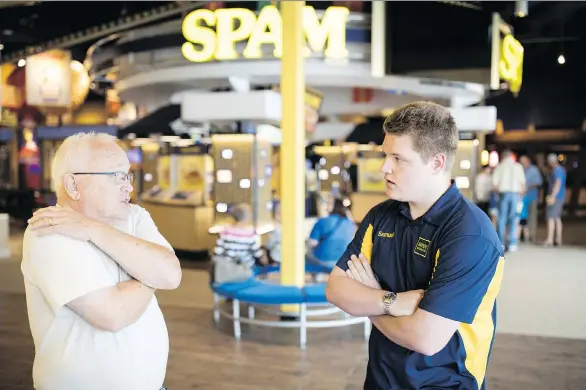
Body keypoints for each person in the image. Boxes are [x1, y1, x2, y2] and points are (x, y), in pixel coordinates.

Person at [326, 101, 504, 390]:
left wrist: (370, 300)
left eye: (398, 158)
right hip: (380, 380)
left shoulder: (470, 235)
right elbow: (335, 289)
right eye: (385, 156)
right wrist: (393, 302)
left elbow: (426, 339)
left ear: (436, 163)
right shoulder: (381, 215)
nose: (384, 167)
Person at [21, 132, 181, 390]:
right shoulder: (48, 229)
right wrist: (148, 273)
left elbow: (171, 275)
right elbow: (111, 314)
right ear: (73, 185)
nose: (128, 186)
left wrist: (93, 229)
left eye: (127, 175)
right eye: (115, 176)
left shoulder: (135, 216)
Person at [492, 150, 526, 252]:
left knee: (501, 218)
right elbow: (523, 184)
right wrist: (521, 196)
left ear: (503, 157)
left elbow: (494, 184)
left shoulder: (500, 167)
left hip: (503, 194)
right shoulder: (518, 166)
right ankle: (512, 243)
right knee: (513, 218)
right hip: (515, 194)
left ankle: (501, 243)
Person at [307, 197, 356, 266]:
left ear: (335, 205)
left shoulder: (322, 221)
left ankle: (314, 276)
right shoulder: (350, 224)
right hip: (342, 261)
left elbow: (312, 243)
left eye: (329, 203)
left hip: (323, 260)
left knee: (305, 256)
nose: (326, 205)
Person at [542, 153, 566, 246]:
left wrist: (552, 196)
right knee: (557, 218)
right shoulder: (561, 169)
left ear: (551, 162)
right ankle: (558, 239)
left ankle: (550, 239)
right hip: (560, 196)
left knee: (550, 218)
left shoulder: (557, 170)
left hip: (556, 197)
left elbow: (558, 183)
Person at [519, 155, 543, 242]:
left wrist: (527, 187)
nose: (522, 164)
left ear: (528, 162)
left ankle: (531, 236)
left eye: (523, 162)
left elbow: (538, 183)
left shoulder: (534, 170)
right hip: (522, 198)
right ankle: (523, 236)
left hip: (532, 197)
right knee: (522, 217)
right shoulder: (520, 170)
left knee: (532, 217)